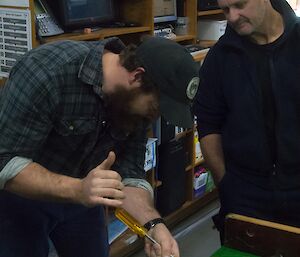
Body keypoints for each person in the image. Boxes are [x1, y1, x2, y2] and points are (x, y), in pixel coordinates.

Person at [0, 36, 199, 257]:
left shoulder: (135, 103)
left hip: (86, 195)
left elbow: (130, 172)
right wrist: (77, 189)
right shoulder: (47, 72)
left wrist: (154, 224)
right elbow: (5, 161)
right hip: (23, 194)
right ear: (137, 76)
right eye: (156, 107)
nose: (155, 116)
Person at [193, 0, 300, 242]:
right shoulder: (219, 58)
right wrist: (227, 184)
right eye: (225, 10)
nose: (232, 16)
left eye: (239, 5)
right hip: (246, 193)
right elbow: (209, 125)